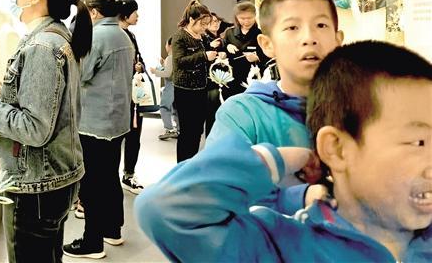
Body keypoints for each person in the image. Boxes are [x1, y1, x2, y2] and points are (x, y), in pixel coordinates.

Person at [136, 40, 432, 262]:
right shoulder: (281, 247)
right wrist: (277, 160)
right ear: (337, 149)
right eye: (417, 142)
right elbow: (165, 209)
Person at [0, 0, 92, 263]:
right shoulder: (55, 38)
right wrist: (0, 95)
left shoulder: (42, 46)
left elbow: (35, 129)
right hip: (50, 179)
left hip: (35, 184)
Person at [205, 0, 343, 213]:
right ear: (267, 44)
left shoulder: (363, 109)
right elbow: (215, 193)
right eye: (292, 27)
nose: (309, 38)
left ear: (338, 40)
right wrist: (297, 197)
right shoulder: (242, 114)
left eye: (321, 25)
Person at [63, 0, 133, 258]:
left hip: (95, 122)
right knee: (109, 177)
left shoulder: (97, 36)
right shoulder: (122, 35)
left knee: (92, 183)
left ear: (93, 12)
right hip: (116, 121)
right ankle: (112, 230)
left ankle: (92, 242)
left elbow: (82, 74)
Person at [171, 0, 216, 162]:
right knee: (187, 132)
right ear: (191, 20)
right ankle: (182, 166)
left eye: (207, 24)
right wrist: (204, 56)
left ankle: (192, 164)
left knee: (197, 131)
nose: (205, 27)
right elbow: (179, 61)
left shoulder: (202, 37)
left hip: (201, 89)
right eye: (202, 24)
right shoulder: (180, 37)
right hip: (185, 91)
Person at [117, 0, 145, 194]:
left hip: (133, 94)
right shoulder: (116, 36)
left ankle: (129, 174)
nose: (138, 16)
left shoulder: (131, 35)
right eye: (135, 12)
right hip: (118, 95)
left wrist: (138, 66)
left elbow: (138, 58)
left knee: (134, 136)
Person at [221, 1, 267, 99]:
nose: (246, 21)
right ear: (236, 17)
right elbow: (221, 51)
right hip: (232, 79)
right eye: (242, 18)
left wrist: (257, 58)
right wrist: (227, 47)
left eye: (249, 18)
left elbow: (269, 57)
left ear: (255, 16)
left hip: (253, 79)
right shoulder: (229, 33)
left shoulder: (261, 34)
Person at [151, 38, 178, 140]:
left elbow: (167, 74)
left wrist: (155, 71)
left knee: (164, 107)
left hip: (170, 86)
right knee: (175, 109)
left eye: (166, 44)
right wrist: (163, 64)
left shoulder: (170, 58)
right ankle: (178, 130)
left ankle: (169, 129)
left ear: (170, 46)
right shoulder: (177, 57)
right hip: (177, 86)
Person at [203, 13, 224, 136]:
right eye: (212, 21)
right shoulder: (204, 39)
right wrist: (210, 47)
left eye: (217, 21)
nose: (215, 23)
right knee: (212, 113)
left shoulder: (221, 39)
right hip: (211, 81)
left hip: (222, 79)